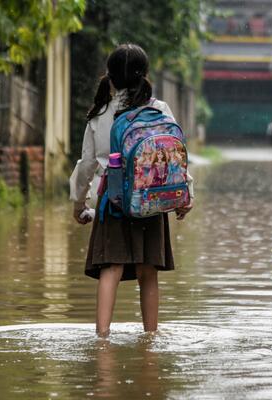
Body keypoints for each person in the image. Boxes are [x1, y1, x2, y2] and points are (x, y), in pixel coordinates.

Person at [69, 44, 194, 337]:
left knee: (110, 268)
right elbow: (174, 155)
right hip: (151, 199)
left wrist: (78, 204)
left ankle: (102, 339)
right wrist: (186, 195)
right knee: (148, 272)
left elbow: (86, 165)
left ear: (110, 77)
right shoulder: (159, 109)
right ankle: (151, 339)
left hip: (113, 201)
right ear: (145, 75)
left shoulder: (99, 115)